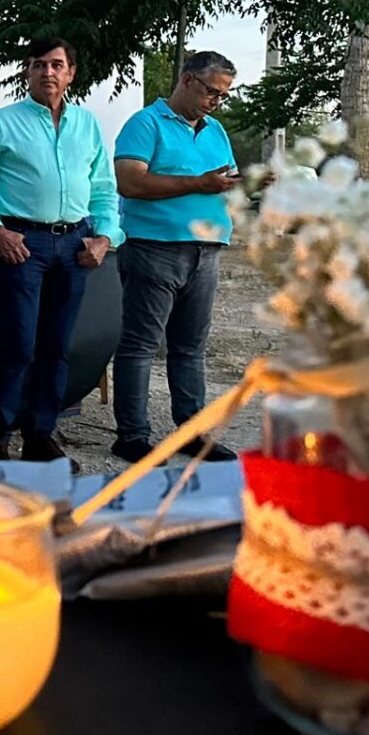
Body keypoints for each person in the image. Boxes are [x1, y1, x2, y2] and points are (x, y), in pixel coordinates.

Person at [0, 36, 123, 464]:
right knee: (19, 344)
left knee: (58, 346)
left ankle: (41, 435)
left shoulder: (87, 125)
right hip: (23, 243)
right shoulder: (3, 122)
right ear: (28, 71)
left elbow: (104, 190)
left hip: (76, 244)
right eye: (39, 64)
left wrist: (105, 237)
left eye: (58, 65)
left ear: (71, 73)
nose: (48, 72)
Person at [110, 50, 242, 464]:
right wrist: (198, 184)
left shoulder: (215, 129)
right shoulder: (145, 124)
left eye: (223, 95)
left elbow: (224, 180)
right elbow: (130, 182)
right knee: (141, 345)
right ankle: (132, 435)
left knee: (190, 348)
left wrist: (247, 183)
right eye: (211, 92)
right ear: (187, 80)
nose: (215, 101)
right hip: (154, 248)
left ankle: (191, 432)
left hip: (206, 252)